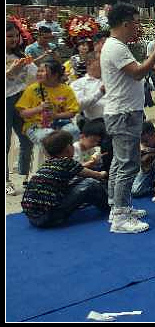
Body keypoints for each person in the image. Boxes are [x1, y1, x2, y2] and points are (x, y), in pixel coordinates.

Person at [100, 2, 155, 234]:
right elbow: (138, 73)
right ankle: (120, 215)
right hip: (124, 113)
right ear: (126, 23)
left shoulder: (116, 46)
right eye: (136, 23)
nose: (138, 27)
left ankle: (117, 207)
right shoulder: (116, 47)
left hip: (123, 111)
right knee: (128, 164)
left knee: (120, 162)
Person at [21, 130, 109, 228]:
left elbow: (78, 169)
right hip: (48, 217)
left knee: (77, 181)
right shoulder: (67, 162)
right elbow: (95, 175)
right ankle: (110, 206)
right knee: (91, 184)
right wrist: (103, 173)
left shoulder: (49, 164)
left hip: (33, 218)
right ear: (68, 148)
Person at [16, 59, 81, 146]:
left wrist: (56, 116)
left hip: (60, 122)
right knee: (49, 137)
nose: (38, 74)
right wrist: (38, 109)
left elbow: (72, 112)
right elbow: (22, 113)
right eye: (38, 71)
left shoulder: (66, 90)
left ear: (55, 75)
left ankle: (70, 153)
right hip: (36, 125)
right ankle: (53, 155)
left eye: (42, 71)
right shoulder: (32, 89)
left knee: (73, 131)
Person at [6, 21, 38, 195]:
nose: (14, 39)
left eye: (16, 36)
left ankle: (24, 176)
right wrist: (10, 71)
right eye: (9, 36)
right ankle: (6, 181)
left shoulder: (22, 56)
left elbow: (36, 74)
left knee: (27, 139)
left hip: (21, 101)